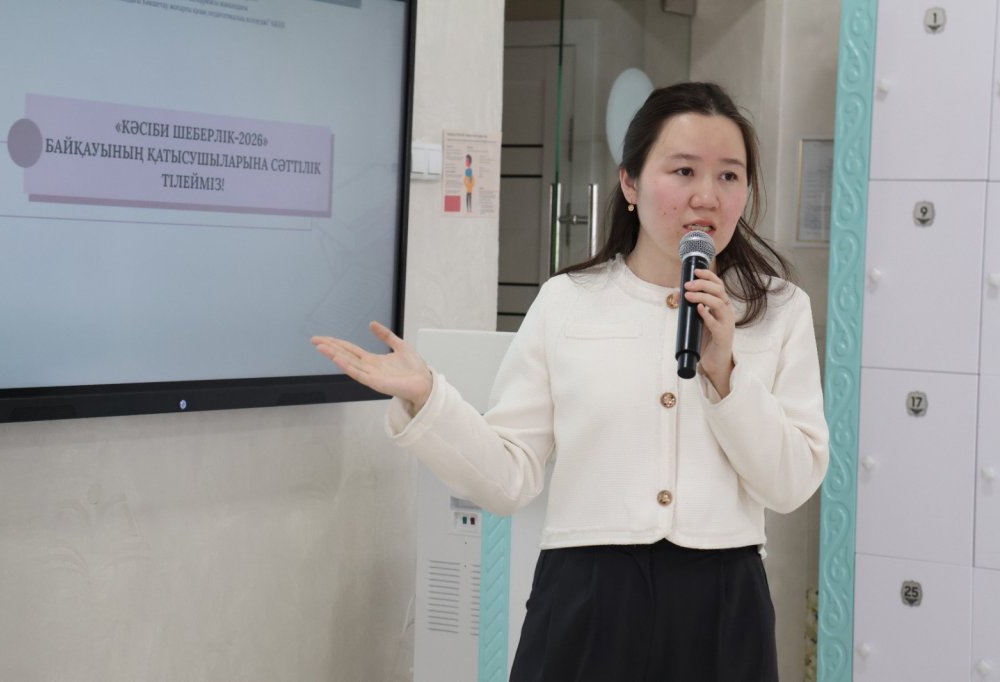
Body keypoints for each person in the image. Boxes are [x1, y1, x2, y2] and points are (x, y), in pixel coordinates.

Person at [312, 81, 829, 682]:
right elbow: (510, 475)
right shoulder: (567, 301)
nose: (707, 197)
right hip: (587, 598)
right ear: (630, 183)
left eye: (729, 176)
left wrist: (727, 376)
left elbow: (791, 484)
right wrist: (428, 398)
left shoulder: (779, 310)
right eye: (684, 170)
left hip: (723, 605)